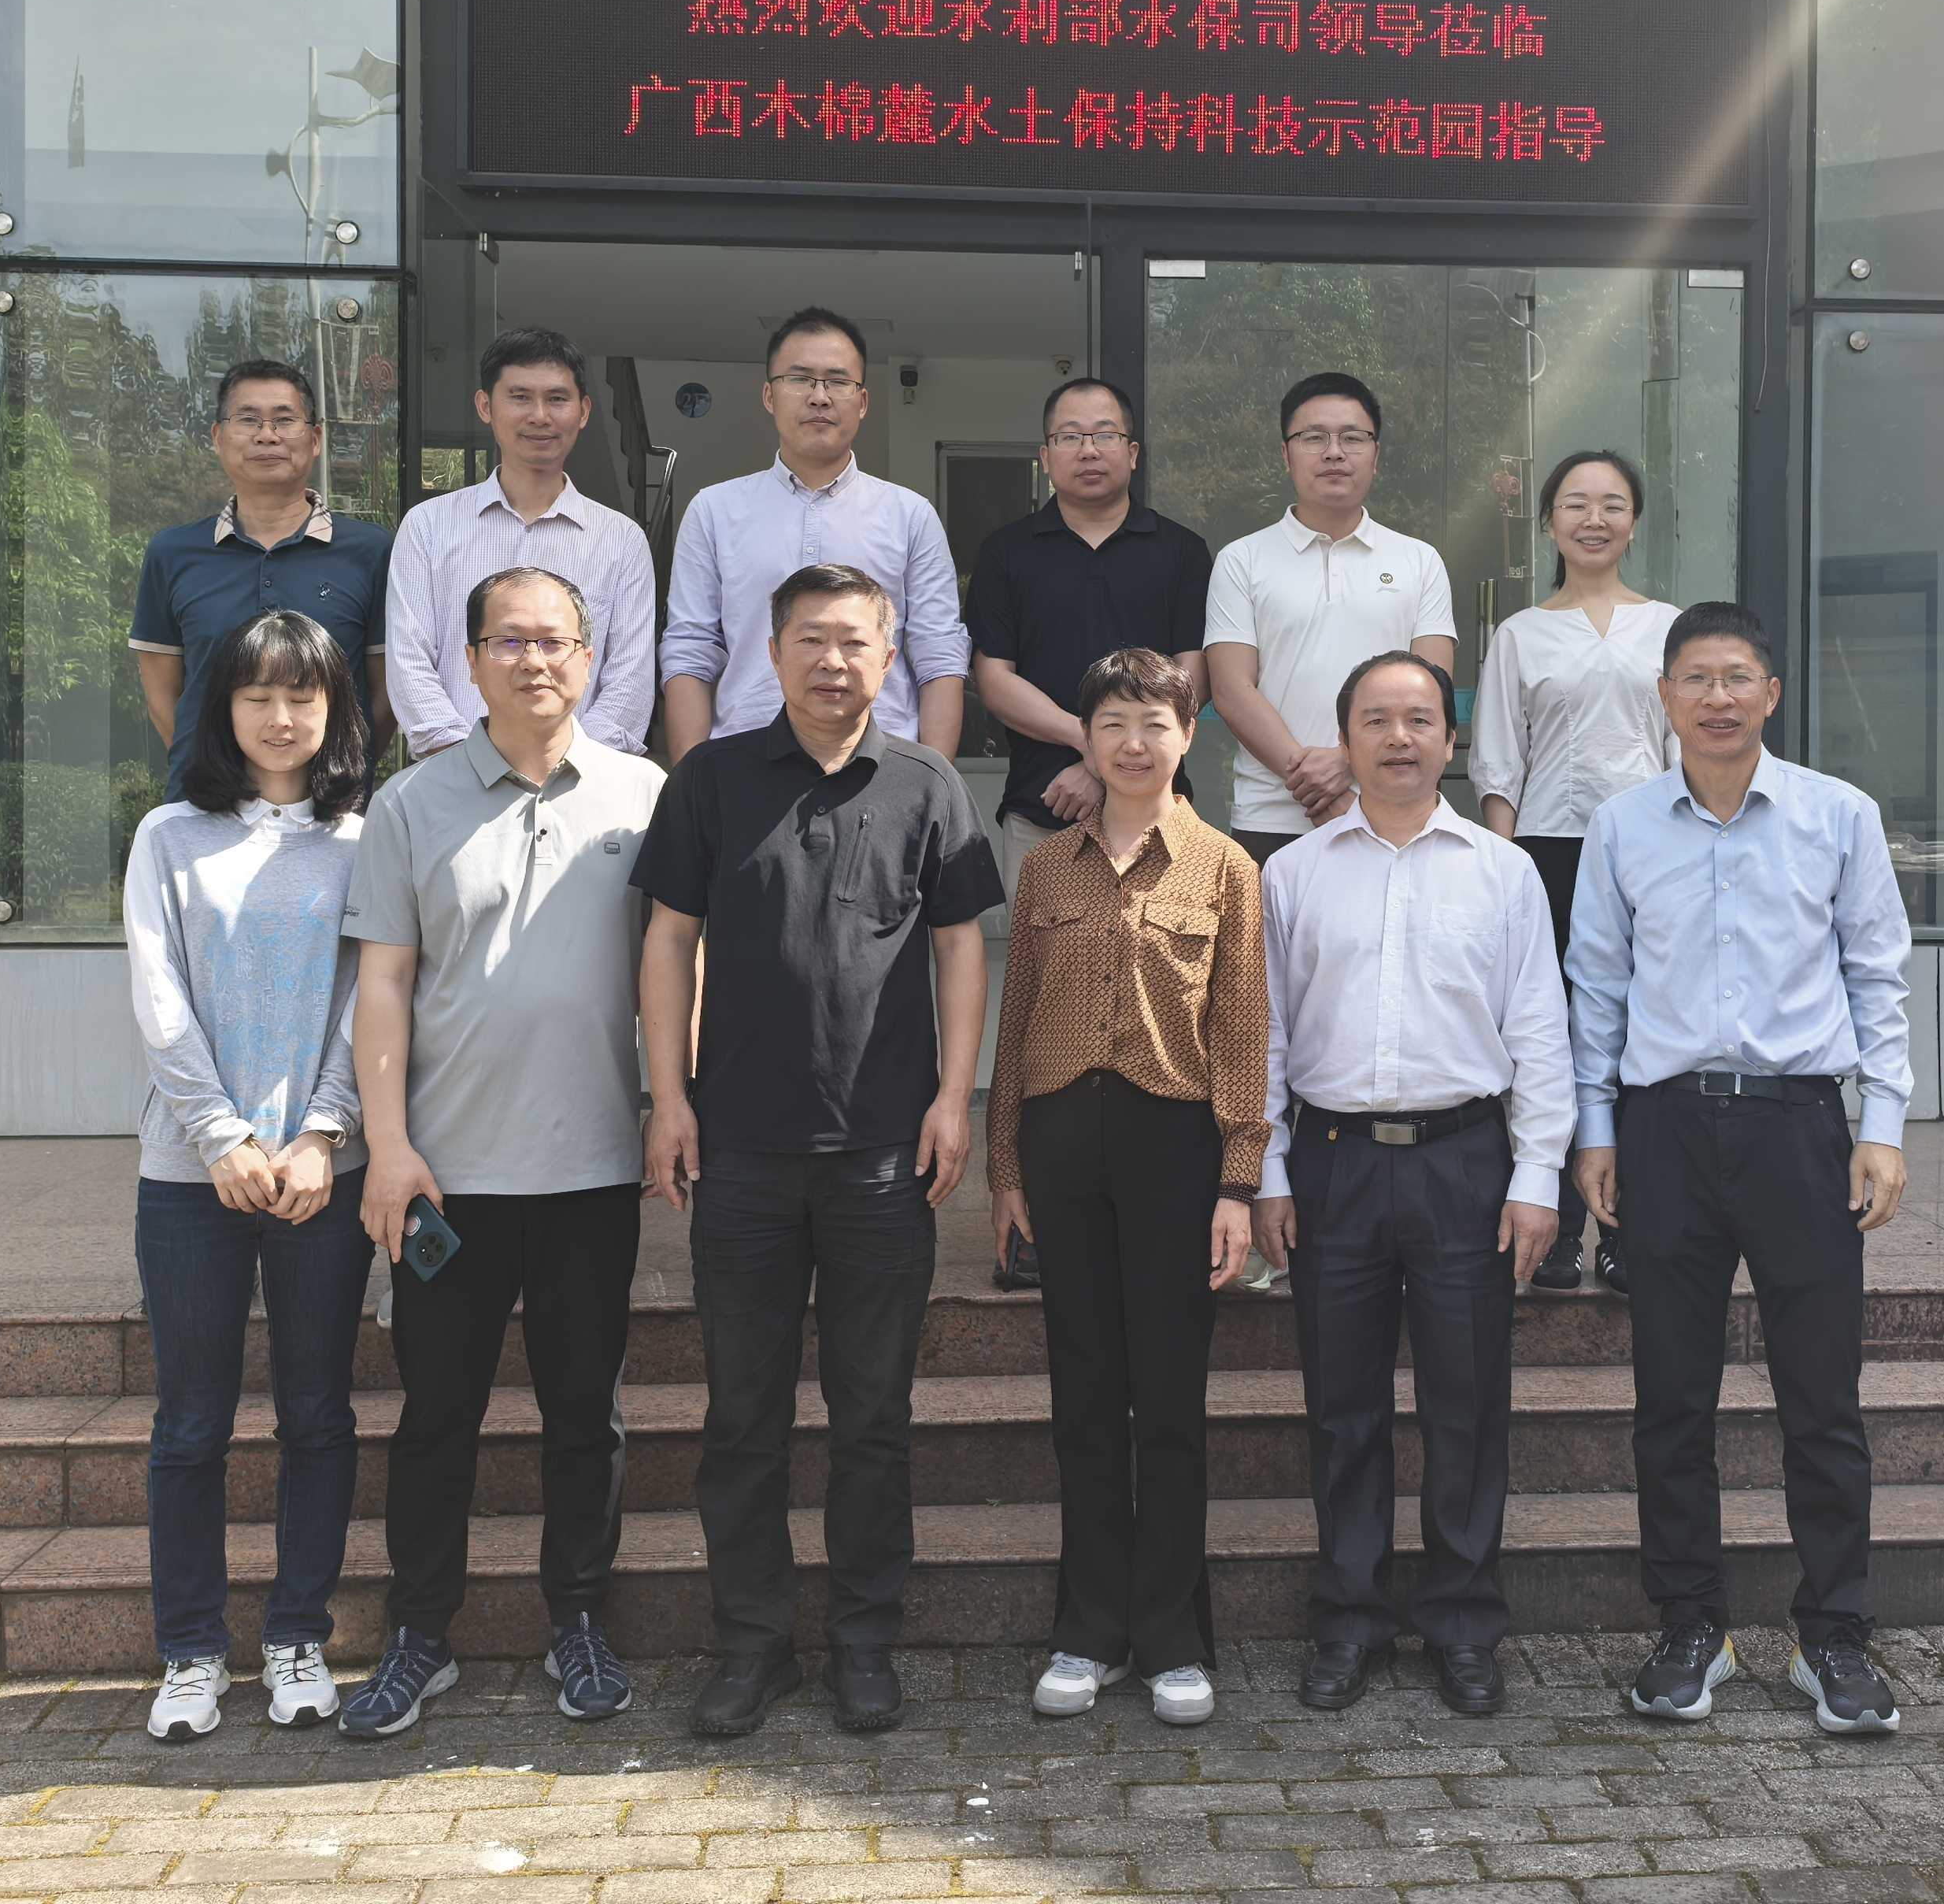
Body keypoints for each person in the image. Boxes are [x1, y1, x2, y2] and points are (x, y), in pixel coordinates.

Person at [638, 563, 1003, 1741]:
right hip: (738, 1153)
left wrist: (954, 1098)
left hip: (883, 1156)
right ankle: (752, 1646)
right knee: (741, 1418)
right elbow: (668, 941)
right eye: (810, 639)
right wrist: (668, 1097)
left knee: (871, 1416)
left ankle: (862, 1642)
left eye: (854, 642)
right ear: (774, 650)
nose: (832, 661)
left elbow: (960, 947)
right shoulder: (712, 779)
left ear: (888, 658)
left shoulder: (926, 783)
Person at [1567, 600, 1914, 1737]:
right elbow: (1597, 986)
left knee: (1823, 1402)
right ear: (1664, 697)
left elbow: (1877, 973)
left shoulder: (1837, 815)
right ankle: (1690, 1628)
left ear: (1771, 693)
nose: (1717, 697)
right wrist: (1595, 1130)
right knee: (1670, 1400)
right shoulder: (1621, 826)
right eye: (1696, 678)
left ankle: (1835, 1637)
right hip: (1663, 1134)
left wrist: (1883, 1123)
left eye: (1737, 677)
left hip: (1799, 1131)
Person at [337, 565, 666, 1739]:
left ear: (590, 658)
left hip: (592, 1170)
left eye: (554, 640)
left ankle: (578, 1620)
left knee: (587, 1417)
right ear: (470, 660)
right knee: (438, 1417)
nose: (534, 660)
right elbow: (383, 984)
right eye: (509, 640)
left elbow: (674, 969)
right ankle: (419, 1635)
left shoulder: (645, 795)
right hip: (446, 1182)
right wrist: (387, 1146)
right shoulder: (409, 805)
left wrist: (674, 1105)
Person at [1251, 654, 1571, 1719]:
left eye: (1420, 719)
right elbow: (1266, 1036)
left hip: (1464, 1162)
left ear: (1450, 739)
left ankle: (1463, 1623)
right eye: (1377, 720)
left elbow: (1539, 1029)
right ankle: (1348, 1619)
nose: (1399, 738)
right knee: (1342, 1407)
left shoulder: (1502, 872)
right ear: (1344, 738)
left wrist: (1537, 1174)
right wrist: (1267, 1171)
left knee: (1466, 1405)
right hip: (1333, 1163)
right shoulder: (1294, 873)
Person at [987, 650, 1265, 1731]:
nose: (1134, 743)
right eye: (1113, 723)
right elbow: (1015, 1024)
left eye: (1155, 724)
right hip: (1063, 1143)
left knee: (1172, 1401)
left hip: (1173, 1146)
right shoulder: (1047, 869)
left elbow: (1242, 1031)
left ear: (1188, 737)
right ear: (1086, 738)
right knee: (1086, 1397)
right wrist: (1006, 1168)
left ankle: (1173, 1637)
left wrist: (1237, 1179)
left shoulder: (1225, 867)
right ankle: (1089, 1630)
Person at [124, 611, 374, 1744]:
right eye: (257, 695)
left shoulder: (366, 841)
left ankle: (296, 1637)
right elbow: (158, 995)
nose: (280, 717)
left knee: (317, 1415)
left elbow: (374, 998)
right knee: (191, 1423)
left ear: (333, 710)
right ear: (220, 708)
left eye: (302, 697)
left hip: (324, 1176)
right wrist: (220, 1135)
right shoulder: (169, 837)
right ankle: (189, 1653)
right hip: (193, 1176)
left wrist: (323, 1130)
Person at [965, 376, 1212, 1293]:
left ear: (1133, 453)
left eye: (1106, 433)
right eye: (1069, 434)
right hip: (1044, 815)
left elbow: (1191, 676)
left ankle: (1159, 1210)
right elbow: (992, 677)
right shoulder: (1008, 551)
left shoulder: (1179, 551)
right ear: (1045, 456)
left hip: (1163, 825)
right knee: (1037, 1016)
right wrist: (1090, 745)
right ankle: (1030, 1214)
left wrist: (1111, 764)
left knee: (1164, 1017)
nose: (1089, 448)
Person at [1470, 453, 1678, 1298]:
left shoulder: (1669, 627)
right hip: (1547, 856)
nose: (1594, 520)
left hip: (1651, 854)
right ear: (1549, 522)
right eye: (1575, 504)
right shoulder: (1520, 634)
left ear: (1635, 521)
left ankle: (1630, 1229)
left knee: (1638, 1035)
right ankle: (1553, 1224)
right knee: (1549, 1039)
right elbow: (1497, 765)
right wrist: (1504, 876)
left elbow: (1683, 752)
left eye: (1613, 504)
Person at [661, 307, 972, 761]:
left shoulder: (910, 516)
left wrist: (932, 782)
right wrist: (693, 779)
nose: (819, 397)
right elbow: (690, 650)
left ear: (862, 402)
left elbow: (939, 654)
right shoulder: (714, 511)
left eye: (838, 382)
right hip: (744, 761)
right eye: (800, 379)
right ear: (769, 395)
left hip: (882, 766)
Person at [1204, 373, 1457, 866]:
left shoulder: (1419, 561)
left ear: (1376, 455)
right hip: (1272, 816)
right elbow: (1232, 690)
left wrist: (1345, 762)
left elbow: (1434, 686)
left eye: (1352, 438)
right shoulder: (1242, 560)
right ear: (1286, 455)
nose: (1334, 452)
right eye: (1314, 437)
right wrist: (1312, 784)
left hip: (1392, 813)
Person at [383, 327, 659, 758]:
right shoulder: (428, 527)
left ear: (583, 411)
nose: (540, 416)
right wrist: (466, 764)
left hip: (582, 783)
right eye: (520, 397)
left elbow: (630, 679)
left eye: (557, 399)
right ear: (485, 406)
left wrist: (572, 768)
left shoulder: (622, 541)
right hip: (453, 775)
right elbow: (409, 661)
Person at [130, 360, 393, 790]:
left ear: (315, 439)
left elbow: (386, 691)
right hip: (204, 802)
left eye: (285, 420)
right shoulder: (172, 553)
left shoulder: (372, 552)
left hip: (330, 805)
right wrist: (212, 765)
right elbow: (162, 694)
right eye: (248, 419)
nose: (267, 435)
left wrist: (346, 767)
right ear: (218, 438)